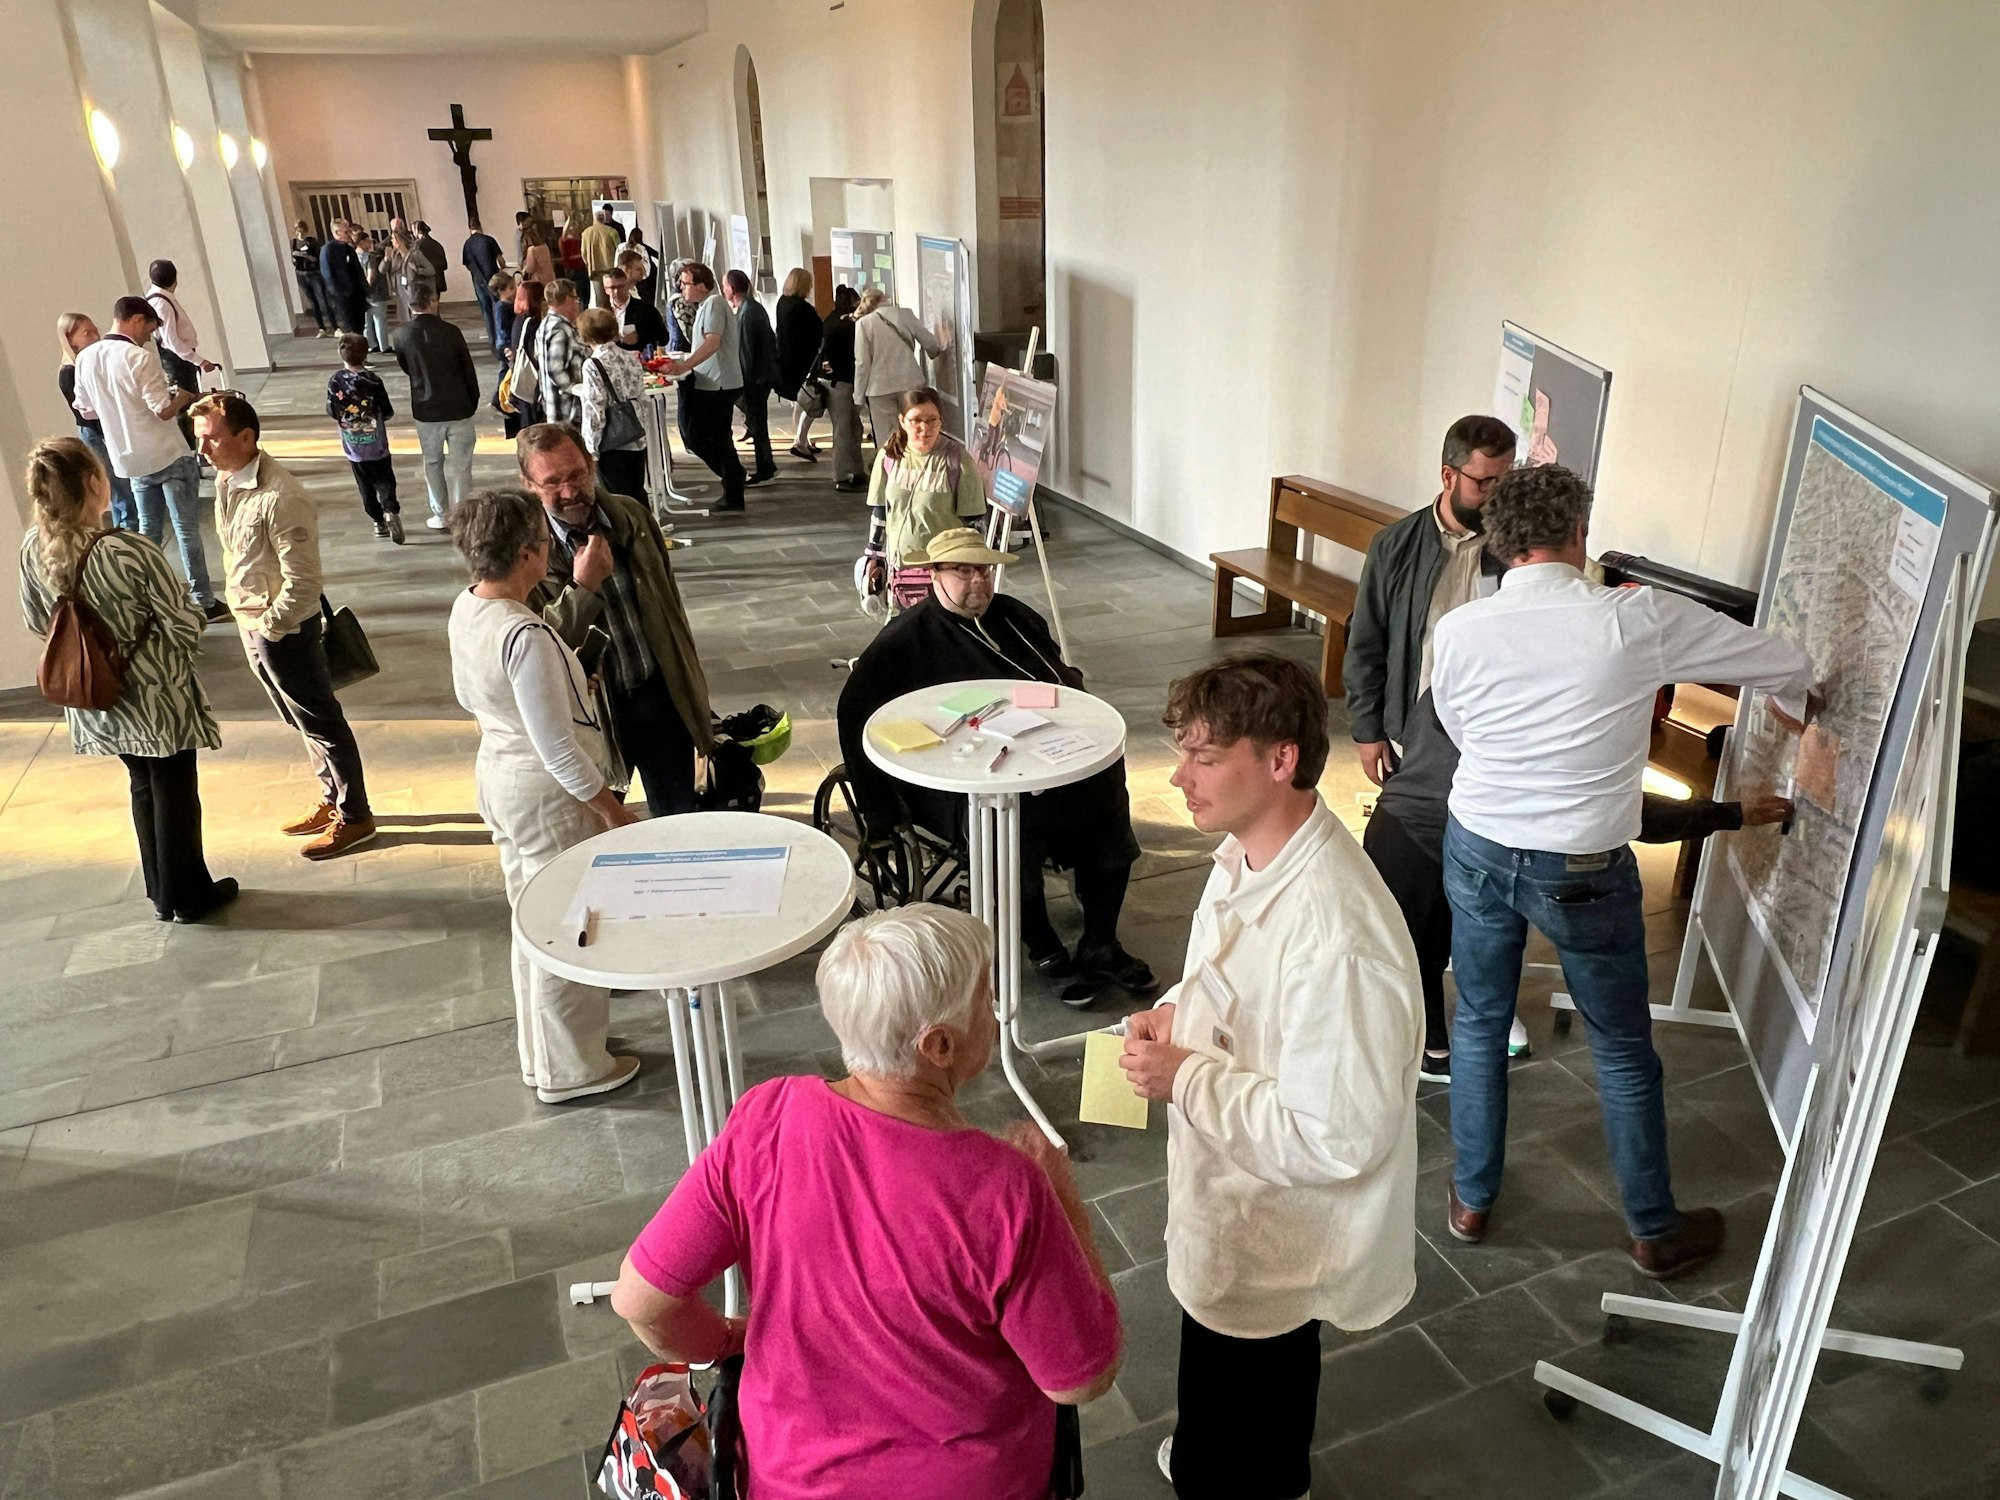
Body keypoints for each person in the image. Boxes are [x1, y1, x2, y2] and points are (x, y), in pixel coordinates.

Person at [1431, 463, 1817, 1278]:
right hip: (1582, 865)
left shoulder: (1461, 629)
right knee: (1621, 1049)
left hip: (1477, 844)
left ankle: (1471, 1198)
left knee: (1477, 1022)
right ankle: (1651, 1226)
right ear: (1578, 533)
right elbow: (1783, 660)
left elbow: (1460, 726)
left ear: (1501, 544)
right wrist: (1792, 699)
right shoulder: (1634, 620)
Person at [611, 903, 1121, 1499]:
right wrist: (1065, 1201)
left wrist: (728, 1340)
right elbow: (1080, 1378)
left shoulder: (766, 1119)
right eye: (986, 998)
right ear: (939, 1045)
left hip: (787, 1480)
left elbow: (642, 1301)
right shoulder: (1006, 1188)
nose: (997, 1009)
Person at [1122, 652, 1423, 1499]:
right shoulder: (1249, 849)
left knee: (1254, 1384)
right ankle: (1220, 1458)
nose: (1179, 777)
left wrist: (1184, 1078)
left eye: (1205, 757)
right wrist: (1179, 1008)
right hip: (1235, 1195)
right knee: (1221, 1380)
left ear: (1281, 758)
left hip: (1280, 1224)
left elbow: (1337, 1134)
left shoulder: (1338, 939)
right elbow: (1229, 970)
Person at [1368, 688, 1794, 1083]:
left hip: (1406, 830)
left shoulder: (1469, 672)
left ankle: (1437, 1050)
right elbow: (1625, 814)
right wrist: (1728, 814)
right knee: (1421, 957)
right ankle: (1432, 1055)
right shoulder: (1544, 722)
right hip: (1418, 840)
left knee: (1428, 953)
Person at [837, 527, 1155, 1005]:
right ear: (933, 575)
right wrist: (878, 811)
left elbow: (1057, 681)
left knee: (1105, 795)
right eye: (963, 570)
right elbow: (855, 716)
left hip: (1041, 757)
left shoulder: (1016, 617)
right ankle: (1044, 946)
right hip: (955, 778)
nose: (978, 581)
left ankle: (1100, 943)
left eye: (984, 569)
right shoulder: (904, 640)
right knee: (1007, 825)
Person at [448, 487, 643, 1103]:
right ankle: (575, 1068)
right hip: (547, 795)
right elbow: (559, 749)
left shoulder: (467, 607)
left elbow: (475, 697)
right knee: (568, 926)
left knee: (530, 925)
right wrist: (611, 809)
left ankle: (543, 1058)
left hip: (501, 775)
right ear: (530, 553)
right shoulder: (524, 634)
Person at [1343, 414, 1530, 1058]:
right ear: (1448, 475)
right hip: (1415, 736)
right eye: (1485, 483)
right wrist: (1369, 731)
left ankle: (1484, 1003)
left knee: (1480, 875)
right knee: (1415, 884)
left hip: (1490, 741)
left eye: (1508, 481)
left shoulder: (1515, 548)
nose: (1498, 496)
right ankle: (1422, 1015)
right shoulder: (1395, 547)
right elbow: (1365, 642)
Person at [17, 437, 236, 924]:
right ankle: (189, 895)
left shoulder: (32, 549)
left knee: (142, 782)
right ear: (94, 484)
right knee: (175, 786)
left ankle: (162, 892)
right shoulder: (128, 549)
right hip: (155, 693)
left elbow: (38, 621)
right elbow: (184, 622)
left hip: (96, 695)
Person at [193, 392, 377, 860]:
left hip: (283, 629)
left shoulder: (282, 496)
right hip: (250, 620)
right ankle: (332, 798)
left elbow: (304, 582)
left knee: (321, 719)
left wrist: (272, 629)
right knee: (299, 719)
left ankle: (356, 816)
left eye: (211, 439)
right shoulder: (228, 479)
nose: (203, 450)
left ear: (246, 436)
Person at [518, 423, 713, 817]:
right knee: (599, 836)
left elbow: (672, 611)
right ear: (529, 486)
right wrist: (583, 587)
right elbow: (534, 650)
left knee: (681, 823)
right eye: (553, 482)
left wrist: (693, 696)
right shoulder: (526, 552)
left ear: (591, 464)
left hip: (660, 698)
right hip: (593, 717)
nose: (570, 492)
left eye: (576, 475)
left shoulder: (633, 516)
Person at [71, 297, 224, 621]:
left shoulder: (85, 358)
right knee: (186, 530)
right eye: (149, 330)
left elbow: (85, 410)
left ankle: (147, 600)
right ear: (137, 320)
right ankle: (204, 600)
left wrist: (120, 412)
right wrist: (183, 395)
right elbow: (163, 410)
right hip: (166, 453)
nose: (148, 339)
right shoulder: (137, 357)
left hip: (129, 458)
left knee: (147, 533)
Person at [862, 386, 990, 613]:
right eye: (916, 420)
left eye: (932, 420)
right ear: (902, 421)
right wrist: (874, 556)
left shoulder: (958, 461)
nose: (924, 428)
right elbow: (881, 511)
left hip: (944, 576)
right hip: (900, 573)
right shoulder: (890, 456)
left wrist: (975, 572)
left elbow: (975, 524)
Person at [392, 282, 481, 533]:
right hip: (458, 405)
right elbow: (467, 369)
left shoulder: (401, 335)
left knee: (432, 462)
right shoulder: (452, 331)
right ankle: (463, 514)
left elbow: (405, 366)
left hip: (425, 407)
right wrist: (472, 400)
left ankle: (441, 514)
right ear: (433, 301)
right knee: (462, 465)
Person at [658, 263, 746, 513]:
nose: (681, 288)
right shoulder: (707, 305)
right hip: (710, 381)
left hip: (719, 383)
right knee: (701, 436)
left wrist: (684, 364)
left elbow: (713, 342)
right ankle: (732, 480)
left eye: (685, 283)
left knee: (710, 437)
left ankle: (733, 484)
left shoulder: (715, 303)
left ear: (702, 285)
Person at [56, 312, 136, 530]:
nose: (95, 336)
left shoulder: (87, 364)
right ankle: (126, 540)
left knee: (121, 489)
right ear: (71, 339)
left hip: (104, 431)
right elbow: (88, 414)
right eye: (86, 333)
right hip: (97, 434)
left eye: (95, 330)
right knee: (122, 491)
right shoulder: (69, 373)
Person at [326, 333, 403, 543]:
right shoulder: (373, 380)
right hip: (377, 444)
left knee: (365, 485)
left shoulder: (335, 381)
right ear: (365, 354)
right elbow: (387, 411)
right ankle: (390, 509)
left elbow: (332, 410)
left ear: (341, 354)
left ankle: (378, 521)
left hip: (354, 448)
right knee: (385, 479)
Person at [853, 288, 944, 457]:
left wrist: (858, 396)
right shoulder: (905, 315)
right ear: (885, 298)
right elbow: (931, 344)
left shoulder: (863, 324)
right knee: (914, 430)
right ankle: (913, 468)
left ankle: (890, 472)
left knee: (886, 438)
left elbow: (862, 363)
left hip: (879, 389)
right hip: (910, 382)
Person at [578, 307, 649, 503]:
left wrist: (591, 449)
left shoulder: (593, 365)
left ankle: (626, 533)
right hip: (635, 433)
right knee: (637, 492)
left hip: (612, 440)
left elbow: (595, 409)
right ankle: (645, 530)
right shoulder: (631, 357)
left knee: (616, 499)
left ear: (586, 336)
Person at [725, 269, 779, 485]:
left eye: (725, 286)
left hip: (755, 378)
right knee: (757, 421)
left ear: (732, 288)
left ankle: (765, 466)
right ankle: (766, 464)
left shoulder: (748, 312)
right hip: (759, 375)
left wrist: (742, 382)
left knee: (757, 422)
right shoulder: (750, 308)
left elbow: (746, 351)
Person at [144, 260, 219, 404]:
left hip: (179, 358)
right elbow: (171, 341)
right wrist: (199, 360)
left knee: (189, 400)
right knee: (187, 402)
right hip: (177, 360)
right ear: (174, 279)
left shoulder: (159, 298)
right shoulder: (162, 304)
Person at [816, 284, 866, 491]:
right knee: (845, 430)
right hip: (842, 383)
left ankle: (856, 470)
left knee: (851, 428)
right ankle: (843, 476)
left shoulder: (831, 319)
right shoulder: (849, 327)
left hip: (832, 381)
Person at [776, 266, 823, 461]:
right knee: (811, 401)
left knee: (801, 401)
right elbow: (819, 332)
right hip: (802, 363)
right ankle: (800, 441)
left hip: (785, 360)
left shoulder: (782, 302)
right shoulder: (803, 309)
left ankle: (803, 440)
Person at [535, 280, 588, 428]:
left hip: (556, 405)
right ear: (568, 299)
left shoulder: (545, 325)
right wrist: (577, 390)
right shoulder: (561, 330)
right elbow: (555, 369)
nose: (577, 303)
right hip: (566, 410)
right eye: (575, 298)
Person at [504, 279, 547, 436]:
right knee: (534, 431)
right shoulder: (533, 323)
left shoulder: (520, 319)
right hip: (531, 383)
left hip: (522, 381)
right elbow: (533, 353)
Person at [462, 216, 508, 354]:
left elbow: (467, 264)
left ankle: (493, 343)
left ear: (470, 228)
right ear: (480, 226)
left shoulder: (467, 244)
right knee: (498, 308)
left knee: (486, 311)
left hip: (478, 280)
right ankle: (502, 338)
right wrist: (502, 268)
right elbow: (501, 260)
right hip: (494, 279)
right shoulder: (489, 240)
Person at [606, 261, 669, 352]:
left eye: (620, 287)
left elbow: (663, 338)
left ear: (627, 285)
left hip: (640, 360)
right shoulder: (601, 312)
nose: (616, 292)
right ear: (605, 289)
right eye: (611, 288)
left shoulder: (646, 310)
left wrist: (640, 336)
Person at [319, 222, 369, 336]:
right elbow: (328, 275)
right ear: (337, 233)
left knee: (359, 328)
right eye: (346, 232)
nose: (349, 234)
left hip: (357, 295)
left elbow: (358, 270)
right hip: (342, 297)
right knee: (350, 329)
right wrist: (340, 293)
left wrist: (365, 289)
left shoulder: (349, 249)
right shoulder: (328, 250)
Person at [290, 220, 335, 337]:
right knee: (313, 302)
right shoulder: (294, 243)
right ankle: (321, 328)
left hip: (314, 273)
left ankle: (335, 326)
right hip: (302, 274)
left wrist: (307, 256)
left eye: (302, 231)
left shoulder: (312, 241)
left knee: (323, 300)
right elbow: (293, 259)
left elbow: (317, 258)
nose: (300, 233)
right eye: (298, 231)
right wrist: (296, 258)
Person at [392, 227, 439, 326]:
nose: (392, 242)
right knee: (406, 317)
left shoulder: (415, 254)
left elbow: (431, 270)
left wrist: (417, 270)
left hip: (415, 290)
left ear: (400, 241)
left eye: (394, 239)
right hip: (403, 290)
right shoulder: (395, 255)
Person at [581, 209, 622, 308]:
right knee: (614, 297)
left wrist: (588, 265)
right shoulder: (612, 231)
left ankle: (603, 317)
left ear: (594, 219)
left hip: (595, 271)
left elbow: (583, 253)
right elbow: (619, 249)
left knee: (600, 299)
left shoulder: (585, 233)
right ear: (604, 219)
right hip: (611, 270)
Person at [624, 225, 660, 304]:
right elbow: (657, 255)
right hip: (650, 275)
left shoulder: (624, 247)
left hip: (633, 275)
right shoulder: (643, 247)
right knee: (651, 295)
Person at [413, 221, 449, 297]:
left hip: (424, 282)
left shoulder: (417, 246)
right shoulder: (437, 244)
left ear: (417, 231)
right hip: (438, 281)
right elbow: (444, 265)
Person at [558, 219, 588, 305]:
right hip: (572, 269)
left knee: (584, 293)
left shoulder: (578, 240)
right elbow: (564, 232)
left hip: (581, 269)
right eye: (572, 229)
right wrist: (569, 220)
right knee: (577, 292)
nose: (575, 231)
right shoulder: (564, 241)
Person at [519, 219, 555, 290]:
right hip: (549, 276)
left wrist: (524, 270)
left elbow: (531, 268)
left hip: (539, 280)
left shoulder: (532, 250)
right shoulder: (544, 246)